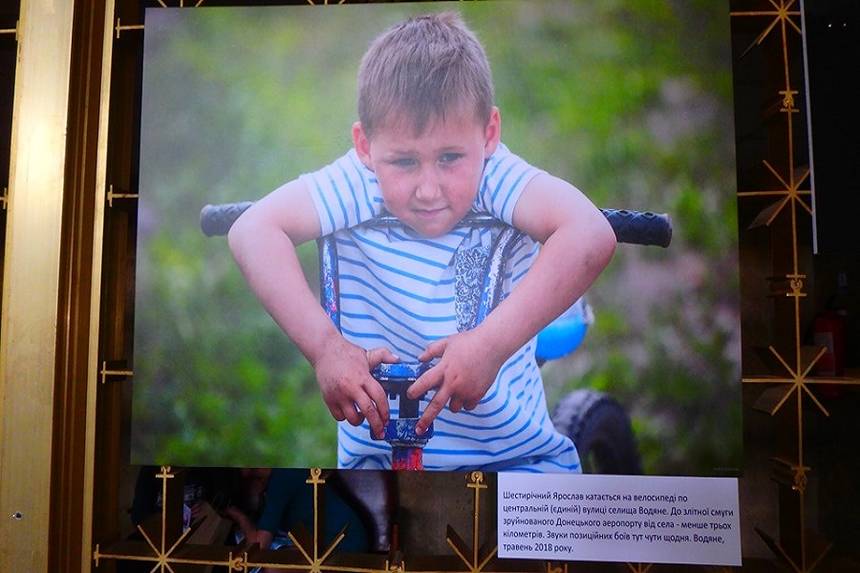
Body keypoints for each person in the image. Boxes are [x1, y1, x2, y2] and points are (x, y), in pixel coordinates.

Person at [228, 12, 616, 472]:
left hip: (515, 463)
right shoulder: (360, 181)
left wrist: (489, 345)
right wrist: (325, 348)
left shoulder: (495, 177)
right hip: (377, 463)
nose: (428, 189)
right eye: (405, 162)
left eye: (450, 158)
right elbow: (253, 230)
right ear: (366, 146)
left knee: (529, 542)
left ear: (489, 134)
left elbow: (589, 232)